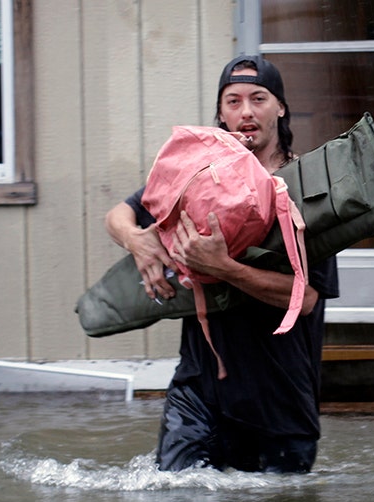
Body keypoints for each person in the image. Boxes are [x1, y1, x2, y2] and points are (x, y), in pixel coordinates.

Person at [104, 55, 339, 474]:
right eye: (233, 101)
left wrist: (225, 267)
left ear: (281, 107)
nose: (245, 112)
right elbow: (119, 215)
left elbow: (304, 301)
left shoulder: (309, 191)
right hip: (199, 391)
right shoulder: (197, 177)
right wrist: (137, 241)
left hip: (279, 400)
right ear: (221, 112)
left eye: (258, 98)